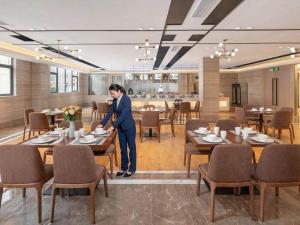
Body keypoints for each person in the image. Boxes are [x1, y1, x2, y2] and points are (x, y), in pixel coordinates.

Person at [98, 84, 136, 177]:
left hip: (129, 127)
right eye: (111, 94)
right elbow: (109, 113)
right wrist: (101, 123)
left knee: (131, 148)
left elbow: (123, 116)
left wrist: (113, 126)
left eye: (113, 93)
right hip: (121, 128)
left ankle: (132, 169)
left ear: (119, 91)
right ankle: (123, 168)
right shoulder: (115, 101)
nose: (112, 95)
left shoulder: (127, 99)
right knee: (123, 149)